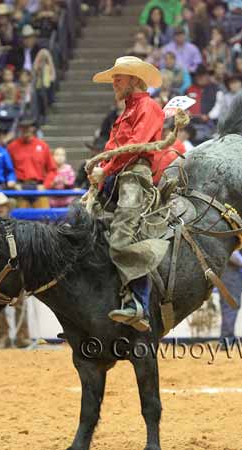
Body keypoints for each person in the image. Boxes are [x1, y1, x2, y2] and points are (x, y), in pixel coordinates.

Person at [89, 56, 170, 332]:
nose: (114, 83)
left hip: (136, 174)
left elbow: (134, 147)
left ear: (134, 80)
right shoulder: (125, 112)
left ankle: (139, 304)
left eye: (119, 78)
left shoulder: (148, 107)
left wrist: (106, 169)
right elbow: (113, 148)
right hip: (117, 176)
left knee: (123, 233)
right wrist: (101, 172)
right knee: (86, 232)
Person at [0, 192, 33, 349]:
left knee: (20, 304)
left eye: (2, 206)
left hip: (15, 271)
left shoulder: (16, 227)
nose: (0, 209)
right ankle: (3, 336)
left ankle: (22, 337)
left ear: (7, 207)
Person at [6, 117, 56, 208]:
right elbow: (7, 169)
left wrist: (45, 185)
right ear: (20, 128)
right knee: (19, 220)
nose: (26, 129)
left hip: (39, 187)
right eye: (23, 127)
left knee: (44, 219)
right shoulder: (12, 147)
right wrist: (14, 184)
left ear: (33, 128)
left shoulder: (43, 146)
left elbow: (52, 169)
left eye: (28, 127)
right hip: (20, 188)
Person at [219, 251, 242, 344]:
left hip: (227, 272)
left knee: (228, 306)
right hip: (231, 273)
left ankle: (226, 338)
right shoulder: (232, 236)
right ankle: (227, 340)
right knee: (230, 306)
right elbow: (231, 251)